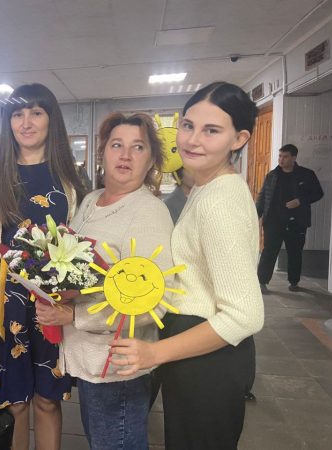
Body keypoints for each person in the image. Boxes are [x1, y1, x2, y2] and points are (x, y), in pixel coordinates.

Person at [110, 82, 264, 450]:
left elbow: (245, 315)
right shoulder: (209, 187)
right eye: (188, 125)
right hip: (196, 349)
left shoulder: (219, 201)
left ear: (239, 139)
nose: (193, 140)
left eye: (211, 130)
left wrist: (155, 353)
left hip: (210, 355)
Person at [35, 112, 173, 450]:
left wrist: (75, 315)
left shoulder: (148, 212)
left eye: (138, 147)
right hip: (89, 361)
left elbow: (156, 300)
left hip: (118, 367)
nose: (125, 155)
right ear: (102, 153)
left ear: (151, 159)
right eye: (116, 145)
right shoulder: (90, 201)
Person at [0, 83, 86, 450]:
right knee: (14, 403)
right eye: (17, 114)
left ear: (51, 119)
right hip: (5, 302)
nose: (26, 122)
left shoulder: (69, 178)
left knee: (48, 399)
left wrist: (72, 300)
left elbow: (81, 245)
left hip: (51, 303)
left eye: (36, 112)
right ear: (8, 122)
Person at [256, 143, 323, 293]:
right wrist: (256, 215)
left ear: (294, 157)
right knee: (269, 251)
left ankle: (294, 282)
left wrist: (300, 201)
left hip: (297, 221)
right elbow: (263, 196)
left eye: (285, 157)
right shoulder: (272, 175)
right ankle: (261, 282)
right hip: (273, 221)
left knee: (295, 252)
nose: (281, 159)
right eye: (280, 156)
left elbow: (318, 193)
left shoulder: (307, 175)